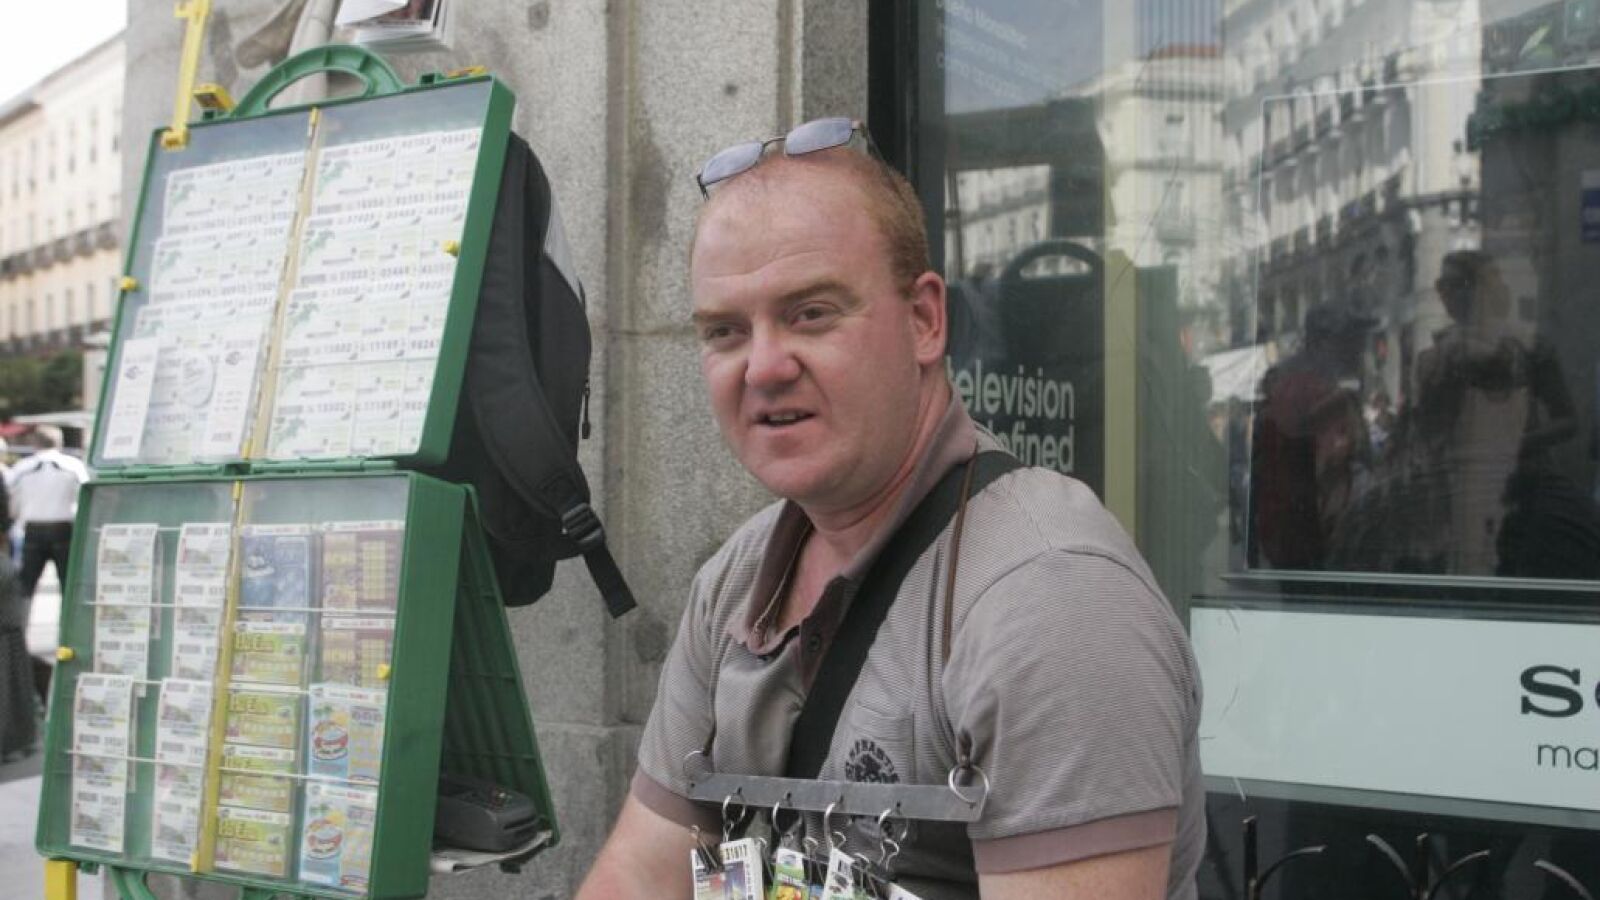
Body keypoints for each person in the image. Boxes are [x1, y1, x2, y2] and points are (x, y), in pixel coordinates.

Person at [576, 119, 1203, 899]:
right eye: (726, 331)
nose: (763, 367)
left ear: (924, 321)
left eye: (811, 312)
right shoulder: (736, 583)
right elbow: (642, 875)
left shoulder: (1052, 599)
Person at [1249, 302, 1373, 570]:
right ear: (1325, 342)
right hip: (1309, 534)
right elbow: (1328, 459)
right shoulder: (1307, 387)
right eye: (1350, 340)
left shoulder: (1302, 383)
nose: (1358, 349)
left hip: (1297, 532)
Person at [7, 426, 89, 705]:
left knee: (26, 588)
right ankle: (68, 635)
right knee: (68, 586)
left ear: (34, 443)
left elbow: (13, 502)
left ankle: (21, 635)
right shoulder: (73, 466)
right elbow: (84, 496)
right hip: (65, 527)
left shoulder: (23, 468)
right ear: (60, 442)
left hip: (33, 528)